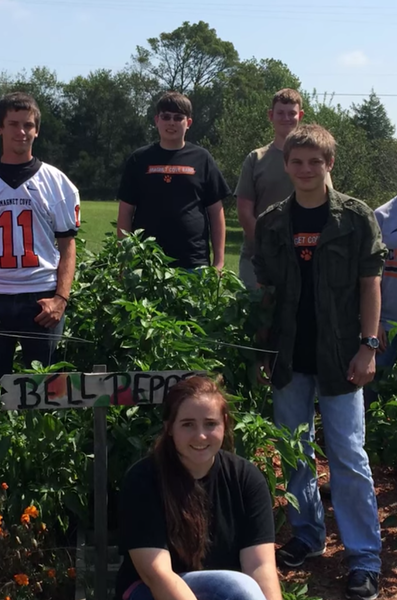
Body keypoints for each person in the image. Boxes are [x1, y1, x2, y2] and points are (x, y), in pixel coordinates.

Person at [253, 124, 384, 600]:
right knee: (294, 451)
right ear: (286, 165)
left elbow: (371, 283)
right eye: (297, 162)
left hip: (340, 355)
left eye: (315, 162)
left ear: (329, 164)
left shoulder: (354, 218)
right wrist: (264, 347)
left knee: (349, 456)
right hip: (289, 355)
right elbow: (267, 292)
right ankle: (307, 536)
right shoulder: (272, 221)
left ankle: (363, 557)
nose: (306, 170)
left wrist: (368, 345)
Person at [0, 92, 80, 390]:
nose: (21, 132)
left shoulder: (57, 183)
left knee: (45, 392)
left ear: (37, 129)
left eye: (28, 125)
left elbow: (67, 247)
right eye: (13, 124)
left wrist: (61, 298)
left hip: (41, 297)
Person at [116, 376, 282, 600]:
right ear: (170, 428)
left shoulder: (247, 479)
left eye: (210, 424)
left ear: (225, 423)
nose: (201, 435)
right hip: (150, 591)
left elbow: (260, 567)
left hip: (221, 593)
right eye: (188, 424)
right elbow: (156, 574)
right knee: (238, 588)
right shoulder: (143, 479)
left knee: (244, 588)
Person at [117, 91, 230, 270]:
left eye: (178, 118)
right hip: (146, 262)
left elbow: (216, 213)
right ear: (157, 120)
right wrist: (125, 260)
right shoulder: (139, 159)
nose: (171, 122)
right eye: (166, 116)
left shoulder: (202, 158)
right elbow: (125, 213)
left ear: (188, 123)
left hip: (193, 262)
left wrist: (219, 262)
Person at [236, 89, 332, 289]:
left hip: (305, 255)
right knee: (257, 317)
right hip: (258, 258)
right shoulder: (256, 158)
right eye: (280, 113)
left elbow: (328, 205)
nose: (286, 118)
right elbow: (244, 211)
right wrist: (269, 246)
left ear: (301, 116)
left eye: (292, 113)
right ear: (271, 115)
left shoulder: (314, 161)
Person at [364, 195, 397, 409]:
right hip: (385, 322)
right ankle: (367, 441)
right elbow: (368, 275)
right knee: (371, 391)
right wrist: (374, 323)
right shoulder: (382, 216)